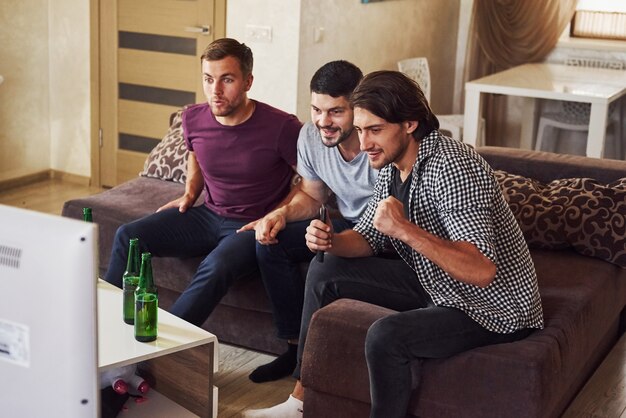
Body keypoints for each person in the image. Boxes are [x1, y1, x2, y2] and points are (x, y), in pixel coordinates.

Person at [243, 71, 544, 418]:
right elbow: (368, 238)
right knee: (326, 268)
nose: (365, 142)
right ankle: (300, 401)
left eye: (375, 130)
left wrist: (404, 229)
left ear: (410, 124)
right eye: (359, 129)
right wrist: (330, 241)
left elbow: (481, 269)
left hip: (494, 306)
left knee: (386, 336)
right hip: (438, 284)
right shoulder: (389, 167)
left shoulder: (453, 165)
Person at [104, 38, 302, 329]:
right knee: (129, 237)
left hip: (250, 225)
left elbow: (310, 181)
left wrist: (277, 214)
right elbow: (195, 154)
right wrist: (189, 193)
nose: (216, 91)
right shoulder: (193, 117)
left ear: (248, 81)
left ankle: (164, 348)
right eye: (208, 80)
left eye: (227, 80)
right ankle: (105, 327)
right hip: (208, 215)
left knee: (216, 265)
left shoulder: (282, 126)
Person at [238, 60, 378, 383]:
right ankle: (293, 348)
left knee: (324, 264)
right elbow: (313, 195)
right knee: (270, 243)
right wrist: (281, 213)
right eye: (316, 109)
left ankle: (314, 370)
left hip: (383, 235)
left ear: (359, 108)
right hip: (346, 224)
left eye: (335, 112)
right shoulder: (311, 137)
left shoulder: (378, 143)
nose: (322, 121)